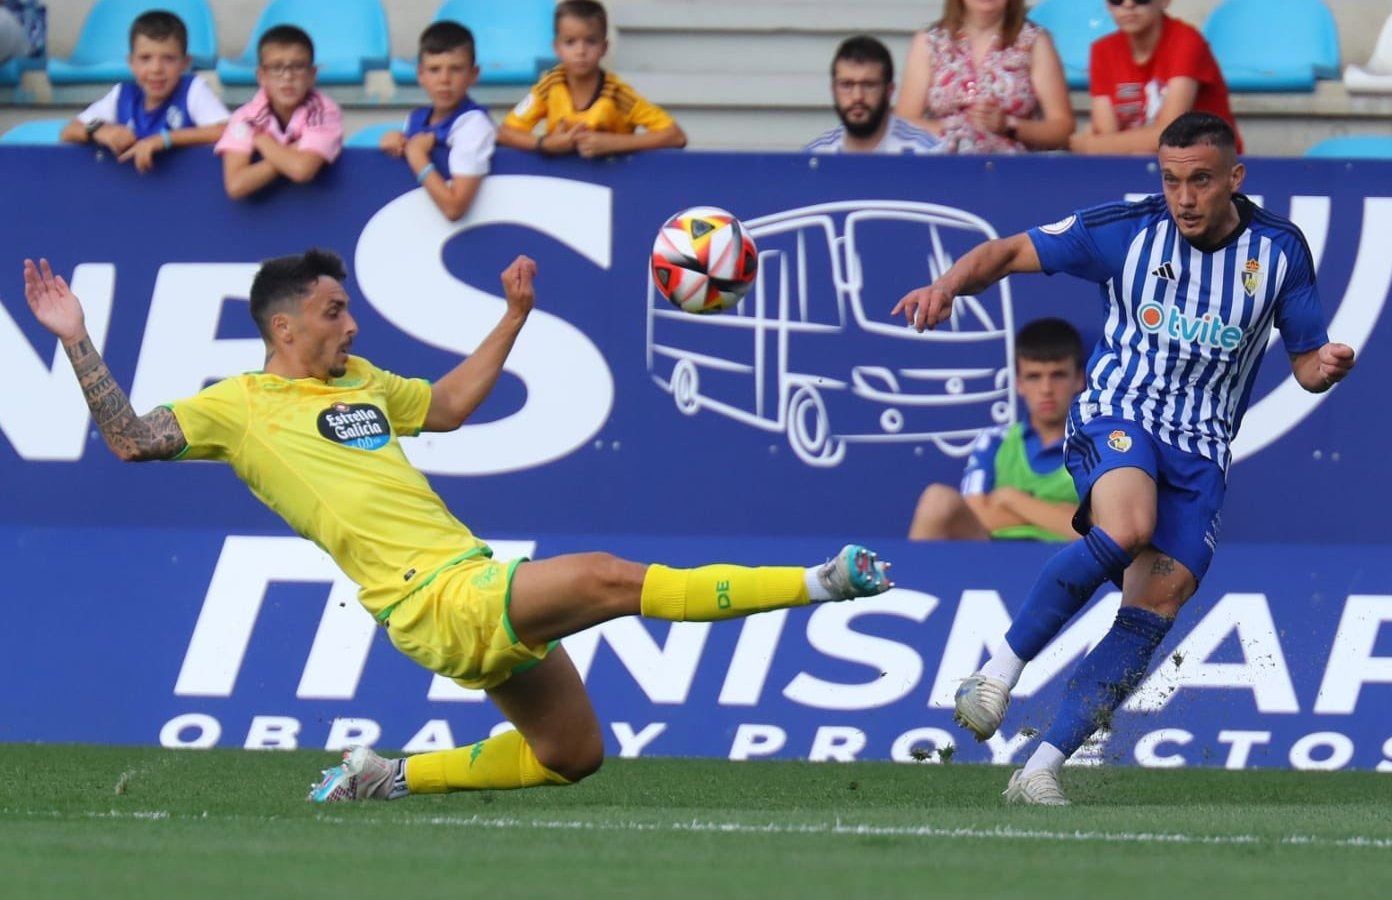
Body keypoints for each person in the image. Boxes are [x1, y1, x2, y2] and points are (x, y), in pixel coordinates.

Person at [20, 249, 893, 802]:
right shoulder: (239, 405)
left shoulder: (359, 380)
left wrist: (512, 320)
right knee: (607, 578)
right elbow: (131, 441)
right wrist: (75, 338)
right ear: (283, 327)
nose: (351, 322)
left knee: (572, 755)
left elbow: (444, 407)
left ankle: (388, 779)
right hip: (431, 599)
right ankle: (824, 582)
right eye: (333, 311)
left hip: (466, 582)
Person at [892, 112, 1355, 805]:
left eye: (1201, 180)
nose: (1186, 198)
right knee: (1129, 525)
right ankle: (995, 674)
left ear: (1236, 176)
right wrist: (947, 285)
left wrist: (1327, 366)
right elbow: (1008, 252)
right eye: (1172, 181)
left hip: (1202, 449)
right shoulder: (1126, 232)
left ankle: (1042, 766)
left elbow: (1305, 361)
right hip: (1120, 412)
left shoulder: (1280, 251)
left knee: (1159, 600)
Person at [909, 318, 1084, 541]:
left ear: (1079, 379)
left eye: (1058, 375)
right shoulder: (995, 439)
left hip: (1070, 567)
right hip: (991, 564)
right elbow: (974, 512)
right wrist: (1059, 514)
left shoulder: (1094, 444)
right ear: (1018, 383)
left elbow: (1100, 530)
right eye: (1034, 376)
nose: (1046, 389)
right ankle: (909, 577)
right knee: (937, 500)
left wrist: (1012, 499)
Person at [498, 0, 687, 158]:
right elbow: (505, 133)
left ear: (604, 48)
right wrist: (546, 143)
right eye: (570, 42)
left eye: (591, 41)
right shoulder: (550, 86)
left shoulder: (617, 93)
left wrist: (613, 144)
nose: (581, 51)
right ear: (556, 47)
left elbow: (675, 136)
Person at [896, 0, 1074, 153]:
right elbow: (903, 124)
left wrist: (1009, 125)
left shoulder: (1034, 41)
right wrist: (949, 128)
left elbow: (1063, 129)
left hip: (1012, 173)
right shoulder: (930, 42)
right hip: (942, 168)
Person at [60, 10, 228, 173]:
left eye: (168, 58)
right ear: (131, 62)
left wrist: (164, 139)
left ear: (185, 63)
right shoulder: (121, 95)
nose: (156, 69)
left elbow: (226, 130)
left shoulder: (193, 90)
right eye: (145, 58)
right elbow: (69, 131)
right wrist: (100, 131)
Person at [1070, 0, 1240, 156]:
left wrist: (1087, 145)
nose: (1128, 4)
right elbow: (1106, 134)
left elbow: (1170, 135)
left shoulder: (1186, 41)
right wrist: (1105, 144)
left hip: (1210, 166)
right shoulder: (1102, 50)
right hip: (1140, 166)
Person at [379, 21, 495, 221]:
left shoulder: (475, 124)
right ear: (420, 74)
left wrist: (416, 155)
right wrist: (395, 143)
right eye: (434, 69)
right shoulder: (415, 118)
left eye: (456, 69)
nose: (444, 79)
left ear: (473, 74)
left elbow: (454, 208)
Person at [215, 25, 343, 200]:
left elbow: (302, 170)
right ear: (261, 76)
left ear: (312, 74)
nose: (287, 76)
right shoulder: (245, 117)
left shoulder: (324, 112)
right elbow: (236, 185)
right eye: (276, 67)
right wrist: (290, 151)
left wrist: (263, 142)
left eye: (297, 66)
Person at [806, 35, 941, 154]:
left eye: (869, 85)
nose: (857, 96)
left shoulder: (926, 153)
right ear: (833, 90)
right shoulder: (816, 157)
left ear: (889, 91)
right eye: (847, 85)